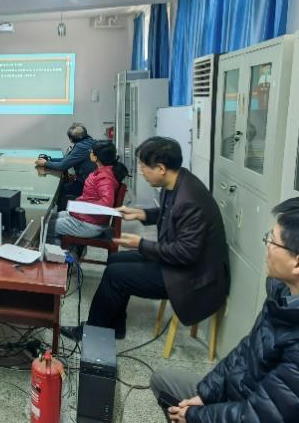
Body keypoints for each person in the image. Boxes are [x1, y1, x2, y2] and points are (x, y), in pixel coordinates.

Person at [150, 196, 299, 423]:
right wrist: (205, 394)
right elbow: (246, 350)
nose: (267, 245)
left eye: (273, 241)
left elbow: (261, 417)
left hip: (251, 412)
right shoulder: (282, 294)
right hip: (239, 398)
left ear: (298, 263)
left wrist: (195, 416)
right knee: (162, 380)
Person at [63, 137, 229, 341]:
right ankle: (113, 327)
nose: (141, 171)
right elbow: (170, 213)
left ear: (161, 168)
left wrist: (140, 244)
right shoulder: (178, 180)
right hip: (177, 262)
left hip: (190, 276)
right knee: (115, 260)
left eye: (143, 166)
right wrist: (142, 214)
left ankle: (92, 332)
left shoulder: (189, 200)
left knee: (116, 275)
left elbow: (186, 254)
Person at [49, 140, 128, 240]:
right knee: (48, 218)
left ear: (96, 157)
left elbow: (106, 204)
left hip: (89, 224)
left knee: (43, 227)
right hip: (85, 218)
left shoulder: (105, 177)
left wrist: (81, 206)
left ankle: (67, 248)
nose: (90, 152)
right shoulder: (104, 171)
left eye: (91, 151)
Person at [35, 124, 96, 201]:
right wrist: (49, 160)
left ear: (71, 139)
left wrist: (45, 163)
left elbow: (62, 166)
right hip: (89, 182)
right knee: (64, 185)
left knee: (60, 189)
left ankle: (60, 208)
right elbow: (67, 160)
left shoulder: (81, 147)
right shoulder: (89, 142)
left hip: (85, 185)